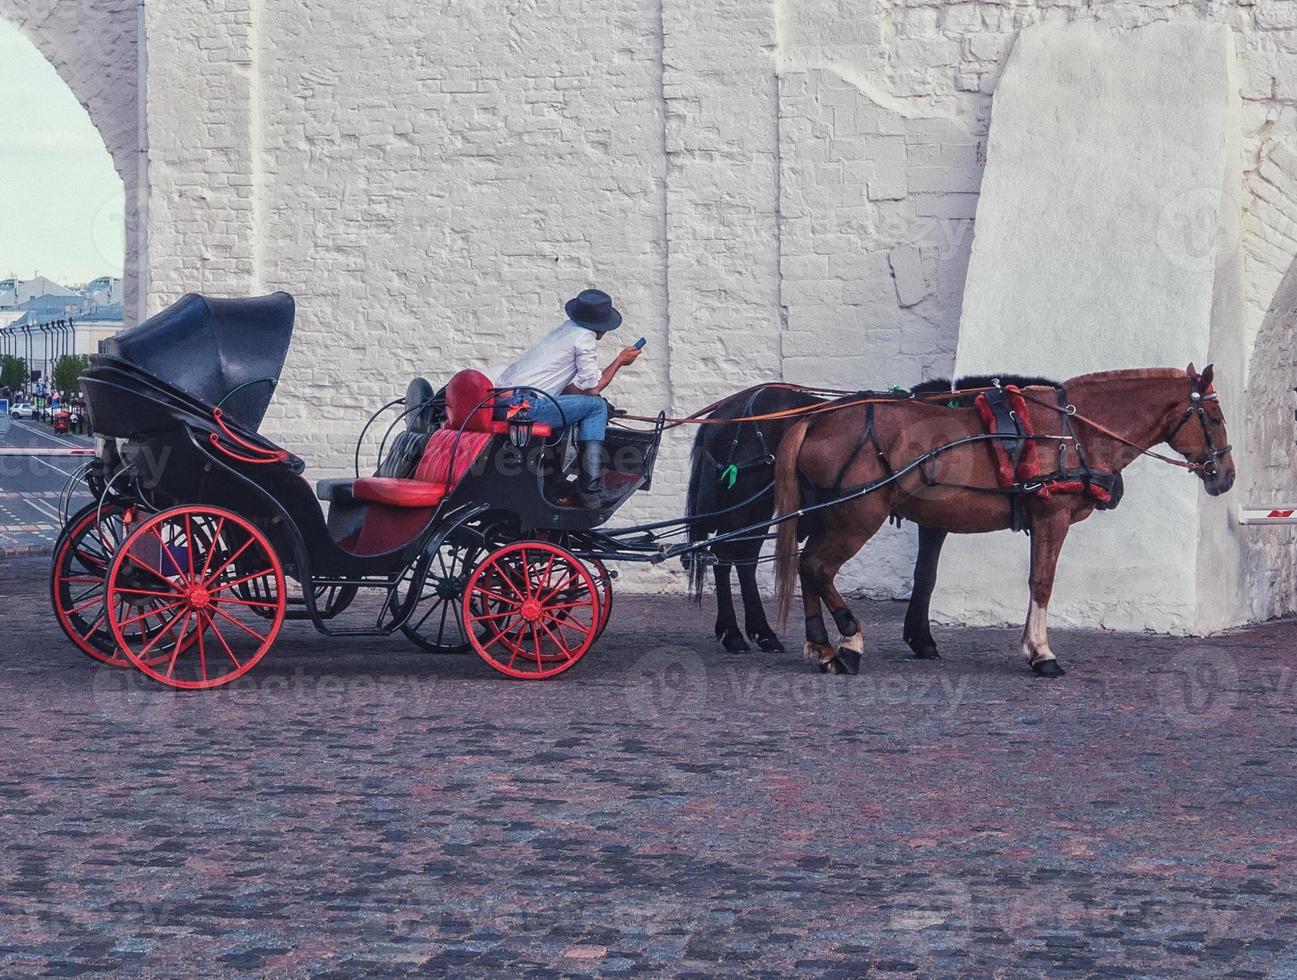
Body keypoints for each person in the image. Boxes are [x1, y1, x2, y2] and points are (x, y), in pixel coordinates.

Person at [494, 288, 641, 507]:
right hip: (525, 407)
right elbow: (593, 389)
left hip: (506, 402)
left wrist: (586, 401)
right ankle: (591, 491)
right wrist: (620, 360)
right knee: (596, 407)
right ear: (602, 327)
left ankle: (554, 482)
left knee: (588, 405)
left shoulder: (565, 330)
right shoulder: (584, 338)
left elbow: (567, 390)